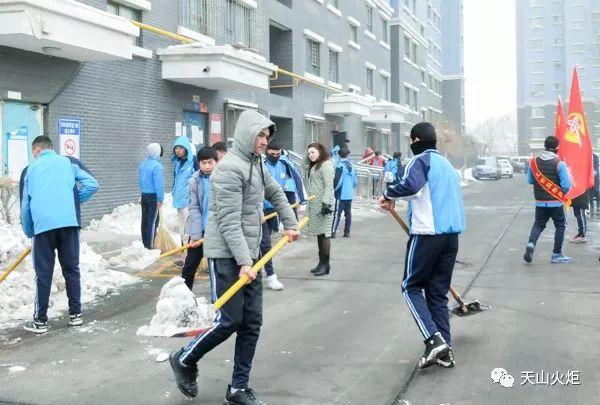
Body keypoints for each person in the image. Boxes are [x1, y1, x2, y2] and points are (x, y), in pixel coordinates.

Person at [169, 110, 299, 404]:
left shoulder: (257, 164)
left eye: (267, 136)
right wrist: (243, 262)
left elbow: (276, 193)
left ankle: (238, 387)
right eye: (260, 135)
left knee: (252, 322)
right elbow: (228, 221)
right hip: (226, 255)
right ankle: (184, 358)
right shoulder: (228, 169)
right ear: (246, 134)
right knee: (228, 320)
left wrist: (290, 224)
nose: (264, 141)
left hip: (248, 252)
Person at [378, 122, 465, 369]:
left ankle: (432, 338)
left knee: (411, 286)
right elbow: (423, 192)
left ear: (416, 140)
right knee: (437, 292)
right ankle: (445, 350)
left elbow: (411, 186)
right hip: (451, 235)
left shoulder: (421, 161)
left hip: (427, 234)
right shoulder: (446, 164)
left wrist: (388, 195)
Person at [20, 136, 100, 334]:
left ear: (35, 150)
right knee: (72, 270)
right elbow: (92, 184)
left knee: (43, 274)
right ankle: (75, 315)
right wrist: (72, 201)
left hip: (43, 228)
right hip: (69, 225)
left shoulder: (31, 169)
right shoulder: (68, 163)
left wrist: (30, 230)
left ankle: (40, 322)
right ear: (53, 148)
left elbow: (25, 206)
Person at [261, 139, 306, 291]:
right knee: (265, 244)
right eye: (271, 154)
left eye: (277, 154)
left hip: (274, 209)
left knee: (266, 241)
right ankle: (271, 276)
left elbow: (297, 179)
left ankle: (260, 268)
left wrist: (303, 199)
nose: (274, 156)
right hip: (258, 211)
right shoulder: (261, 165)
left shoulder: (284, 163)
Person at [523, 135, 572, 264]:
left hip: (540, 201)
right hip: (556, 202)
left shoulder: (533, 162)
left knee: (538, 224)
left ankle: (531, 245)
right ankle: (556, 254)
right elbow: (566, 185)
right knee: (560, 226)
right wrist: (561, 194)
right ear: (557, 148)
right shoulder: (559, 164)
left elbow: (530, 180)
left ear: (545, 146)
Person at [180, 147, 218, 290]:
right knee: (189, 266)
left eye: (210, 162)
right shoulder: (194, 181)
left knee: (216, 269)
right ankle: (184, 297)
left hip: (217, 232)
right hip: (200, 230)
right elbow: (194, 208)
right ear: (199, 164)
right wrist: (195, 236)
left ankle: (219, 302)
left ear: (216, 162)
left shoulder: (223, 178)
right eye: (203, 163)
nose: (207, 166)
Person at [306, 142, 335, 277]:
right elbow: (303, 164)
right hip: (315, 204)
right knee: (319, 234)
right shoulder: (316, 164)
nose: (310, 155)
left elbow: (329, 186)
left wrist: (326, 203)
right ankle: (321, 263)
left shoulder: (326, 164)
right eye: (309, 153)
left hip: (324, 205)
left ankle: (326, 264)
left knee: (324, 234)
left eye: (313, 152)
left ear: (320, 151)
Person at [172, 136, 196, 265]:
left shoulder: (193, 163)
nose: (178, 150)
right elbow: (176, 181)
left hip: (188, 201)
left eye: (181, 148)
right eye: (176, 148)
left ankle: (189, 255)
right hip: (179, 201)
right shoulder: (177, 163)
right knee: (182, 230)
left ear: (186, 148)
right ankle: (184, 254)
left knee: (188, 229)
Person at [138, 143, 164, 250]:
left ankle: (145, 243)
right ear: (157, 152)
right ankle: (150, 246)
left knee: (145, 220)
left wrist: (141, 194)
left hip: (144, 195)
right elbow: (159, 184)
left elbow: (141, 181)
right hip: (153, 196)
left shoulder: (143, 164)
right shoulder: (158, 166)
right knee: (152, 222)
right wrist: (160, 199)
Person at [332, 147, 357, 238]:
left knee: (337, 214)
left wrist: (334, 189)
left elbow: (338, 181)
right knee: (348, 214)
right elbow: (355, 181)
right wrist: (350, 188)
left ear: (339, 155)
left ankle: (332, 232)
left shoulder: (340, 166)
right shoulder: (352, 166)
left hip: (341, 194)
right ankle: (347, 233)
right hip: (349, 194)